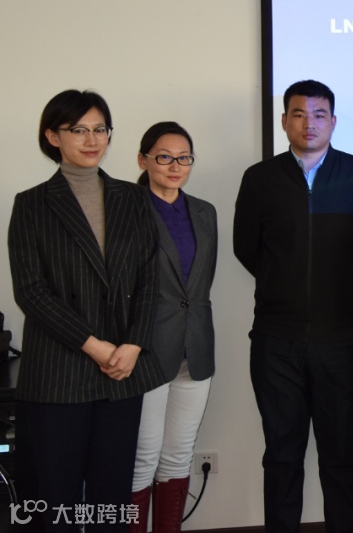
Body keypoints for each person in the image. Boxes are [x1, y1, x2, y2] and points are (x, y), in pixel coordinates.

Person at [233, 80, 353, 533]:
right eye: (298, 114)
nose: (309, 123)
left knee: (340, 453)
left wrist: (348, 290)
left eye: (319, 114)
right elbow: (247, 248)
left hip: (340, 339)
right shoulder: (260, 178)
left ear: (333, 121)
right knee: (282, 454)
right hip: (275, 341)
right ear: (284, 121)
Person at [9, 90, 164, 532]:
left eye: (100, 129)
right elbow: (31, 292)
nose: (92, 139)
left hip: (122, 372)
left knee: (110, 499)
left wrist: (133, 344)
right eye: (78, 130)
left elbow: (150, 279)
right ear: (52, 136)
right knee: (55, 501)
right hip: (59, 373)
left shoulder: (133, 198)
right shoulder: (31, 204)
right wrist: (95, 346)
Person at [130, 122, 218, 533]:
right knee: (142, 459)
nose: (174, 165)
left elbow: (199, 285)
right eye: (164, 157)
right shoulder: (127, 209)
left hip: (195, 349)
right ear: (143, 160)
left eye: (184, 157)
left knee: (178, 456)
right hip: (144, 352)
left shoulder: (204, 211)